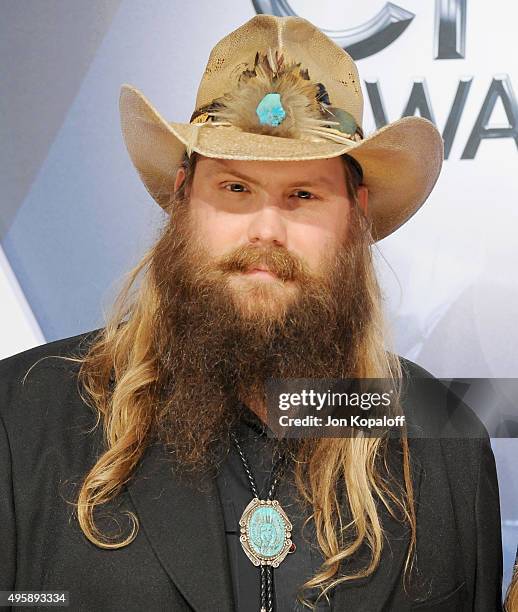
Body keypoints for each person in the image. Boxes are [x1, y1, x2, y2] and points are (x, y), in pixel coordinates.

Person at [0, 14, 503, 612]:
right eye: (235, 189)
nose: (267, 230)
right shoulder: (21, 419)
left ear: (356, 215)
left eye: (304, 195)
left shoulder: (446, 446)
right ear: (182, 196)